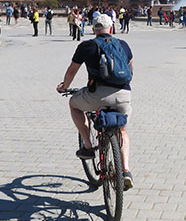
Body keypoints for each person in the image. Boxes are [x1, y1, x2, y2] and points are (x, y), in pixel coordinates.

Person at [56, 14, 134, 189]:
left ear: (93, 30)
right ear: (111, 29)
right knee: (122, 130)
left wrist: (64, 86)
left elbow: (71, 72)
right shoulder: (123, 45)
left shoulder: (87, 46)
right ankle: (126, 171)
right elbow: (131, 68)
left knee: (74, 105)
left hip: (96, 95)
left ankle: (89, 147)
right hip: (123, 94)